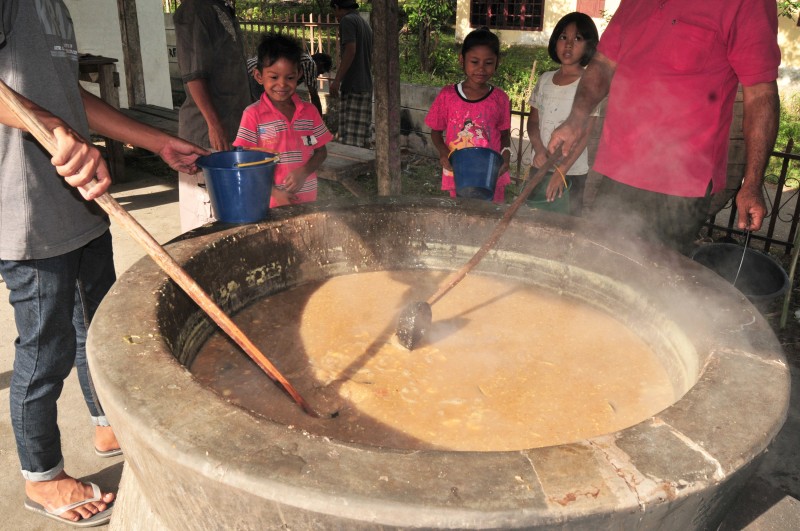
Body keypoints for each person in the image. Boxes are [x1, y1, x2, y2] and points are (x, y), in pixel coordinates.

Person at [0, 0, 207, 526]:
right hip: (28, 212)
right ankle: (42, 476)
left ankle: (106, 422)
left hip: (81, 202)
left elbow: (73, 97)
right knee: (45, 351)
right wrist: (49, 126)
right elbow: (41, 109)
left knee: (96, 330)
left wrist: (155, 140)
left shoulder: (55, 8)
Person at [547, 0, 781, 254]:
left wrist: (753, 182)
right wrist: (575, 119)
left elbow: (760, 93)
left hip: (681, 185)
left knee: (654, 278)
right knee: (603, 260)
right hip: (619, 167)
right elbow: (603, 64)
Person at [174, 0, 254, 231]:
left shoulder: (222, 8)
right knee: (205, 218)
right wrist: (214, 124)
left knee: (229, 215)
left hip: (231, 130)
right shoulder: (195, 9)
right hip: (206, 135)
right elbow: (194, 76)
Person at [234, 33, 333, 207]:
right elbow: (244, 163)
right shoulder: (252, 115)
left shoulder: (309, 112)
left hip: (307, 203)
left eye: (289, 77)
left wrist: (304, 171)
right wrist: (274, 193)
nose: (282, 84)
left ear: (299, 75)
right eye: (274, 77)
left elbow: (321, 152)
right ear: (259, 76)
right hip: (268, 204)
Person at [424, 27, 512, 203]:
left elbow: (504, 134)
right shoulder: (447, 95)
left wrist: (506, 155)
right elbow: (435, 132)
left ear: (497, 63)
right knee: (462, 219)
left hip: (490, 175)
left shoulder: (500, 99)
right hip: (459, 172)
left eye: (488, 63)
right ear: (462, 60)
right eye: (474, 62)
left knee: (490, 219)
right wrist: (443, 153)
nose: (481, 69)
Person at [527, 12, 599, 216]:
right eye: (563, 37)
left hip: (571, 172)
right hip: (539, 167)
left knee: (566, 225)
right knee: (534, 220)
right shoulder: (545, 79)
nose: (568, 45)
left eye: (577, 39)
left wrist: (563, 170)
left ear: (589, 45)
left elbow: (586, 133)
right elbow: (533, 122)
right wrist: (539, 150)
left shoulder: (590, 84)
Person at [329, 0, 373, 148]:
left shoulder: (347, 21)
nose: (335, 16)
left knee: (350, 138)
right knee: (361, 135)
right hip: (365, 84)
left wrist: (337, 81)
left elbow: (350, 51)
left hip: (354, 84)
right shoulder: (363, 23)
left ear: (337, 7)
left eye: (334, 11)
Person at [248, 51, 333, 116]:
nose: (317, 75)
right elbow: (314, 95)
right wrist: (319, 120)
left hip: (248, 69)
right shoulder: (310, 64)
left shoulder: (301, 60)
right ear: (320, 64)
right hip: (256, 73)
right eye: (320, 71)